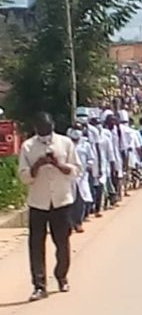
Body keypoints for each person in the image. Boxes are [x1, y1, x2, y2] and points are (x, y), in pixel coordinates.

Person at [18, 112, 81, 302]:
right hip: (38, 202)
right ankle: (39, 285)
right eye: (41, 130)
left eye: (47, 129)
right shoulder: (28, 146)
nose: (45, 133)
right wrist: (37, 166)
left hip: (61, 201)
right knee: (36, 245)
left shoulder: (65, 143)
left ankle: (61, 276)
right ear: (36, 129)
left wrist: (58, 164)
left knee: (62, 242)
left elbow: (76, 170)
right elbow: (23, 176)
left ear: (52, 126)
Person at [68, 129, 94, 233]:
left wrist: (89, 166)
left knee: (80, 200)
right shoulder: (67, 145)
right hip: (69, 176)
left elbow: (91, 158)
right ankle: (70, 223)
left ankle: (78, 223)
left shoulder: (85, 145)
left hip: (82, 176)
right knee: (69, 201)